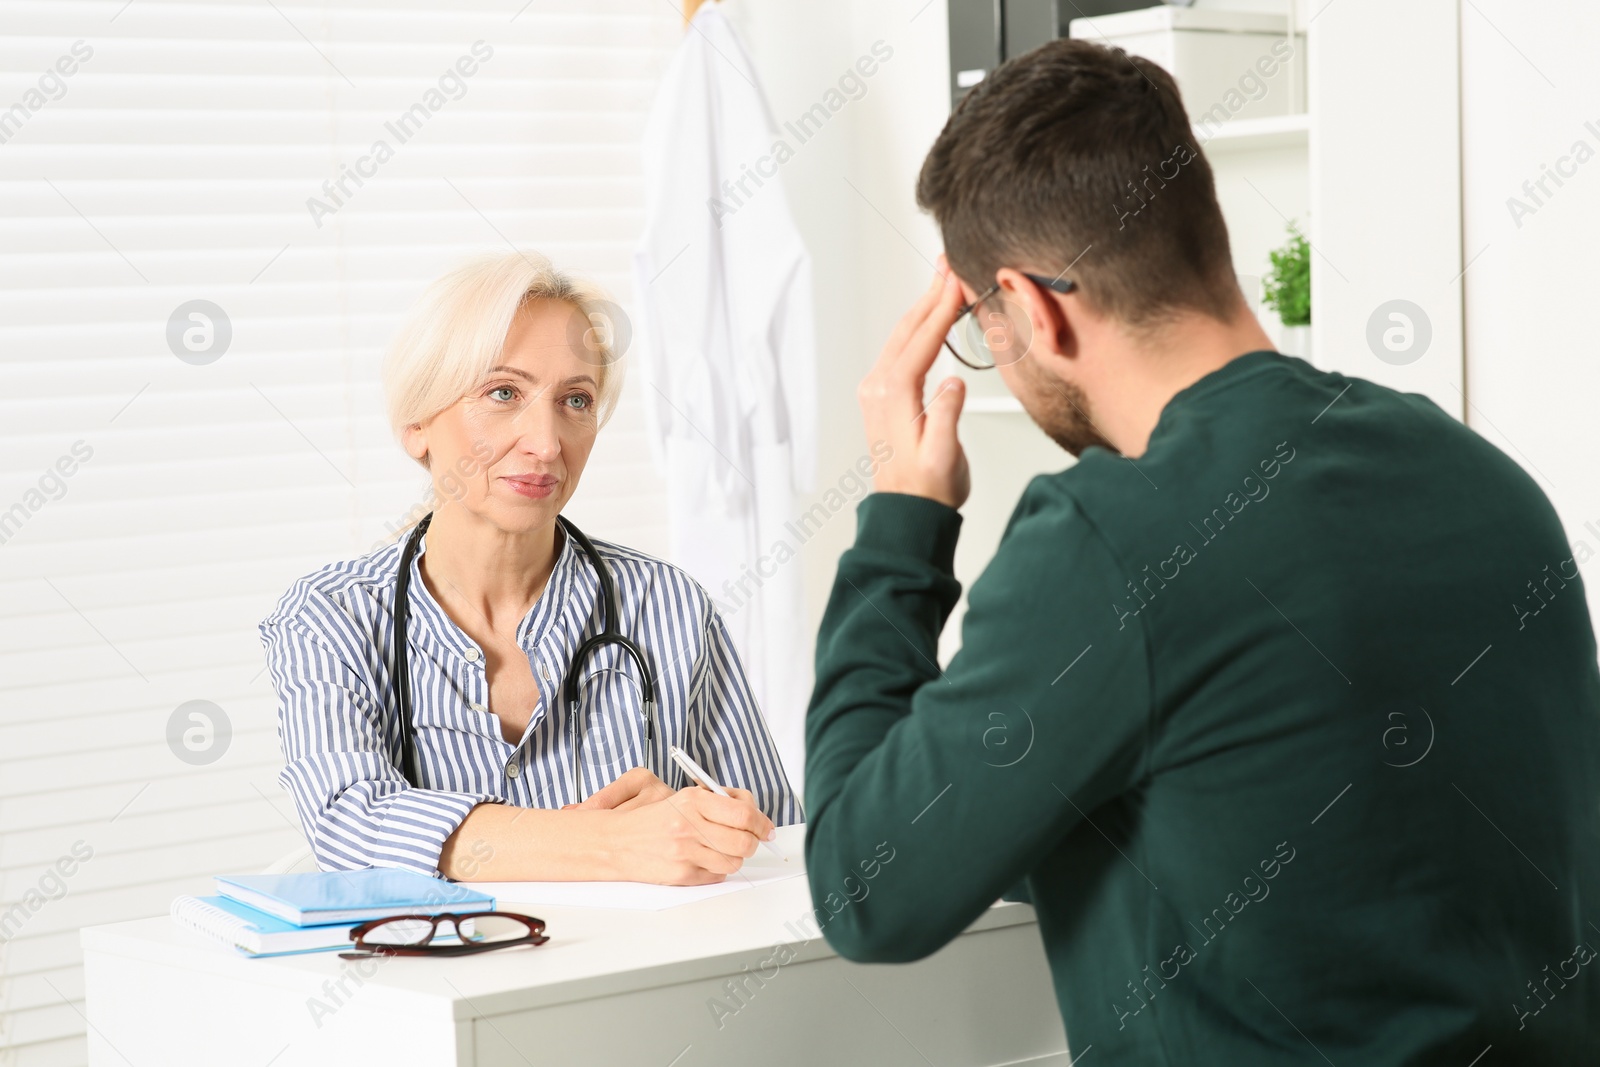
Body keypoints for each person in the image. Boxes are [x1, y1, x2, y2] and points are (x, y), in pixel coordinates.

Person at [803, 38, 1600, 1064]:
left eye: (982, 328)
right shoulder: (1485, 481)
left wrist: (901, 523)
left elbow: (865, 887)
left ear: (1035, 308)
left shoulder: (1111, 537)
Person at [260, 251, 801, 885]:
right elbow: (350, 826)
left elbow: (780, 850)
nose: (546, 444)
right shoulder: (331, 617)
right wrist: (612, 844)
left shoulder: (669, 605)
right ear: (416, 425)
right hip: (444, 979)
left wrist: (723, 830)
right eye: (503, 392)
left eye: (576, 400)